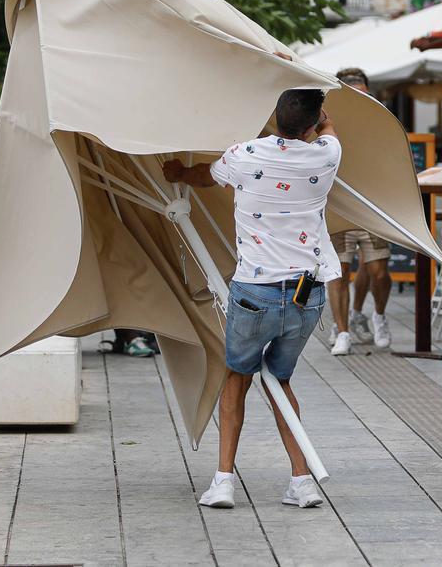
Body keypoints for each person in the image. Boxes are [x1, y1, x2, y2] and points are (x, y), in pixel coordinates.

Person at [163, 88, 340, 510]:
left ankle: (223, 481)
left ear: (272, 118)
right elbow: (328, 126)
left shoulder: (244, 155)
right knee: (279, 381)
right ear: (313, 124)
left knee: (237, 379)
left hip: (254, 294)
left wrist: (179, 173)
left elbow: (206, 175)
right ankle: (301, 482)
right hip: (306, 295)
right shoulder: (326, 156)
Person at [326, 68, 393, 354]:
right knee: (339, 271)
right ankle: (342, 331)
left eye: (365, 96)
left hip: (371, 206)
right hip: (339, 206)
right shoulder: (326, 125)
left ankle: (376, 314)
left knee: (377, 269)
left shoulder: (380, 123)